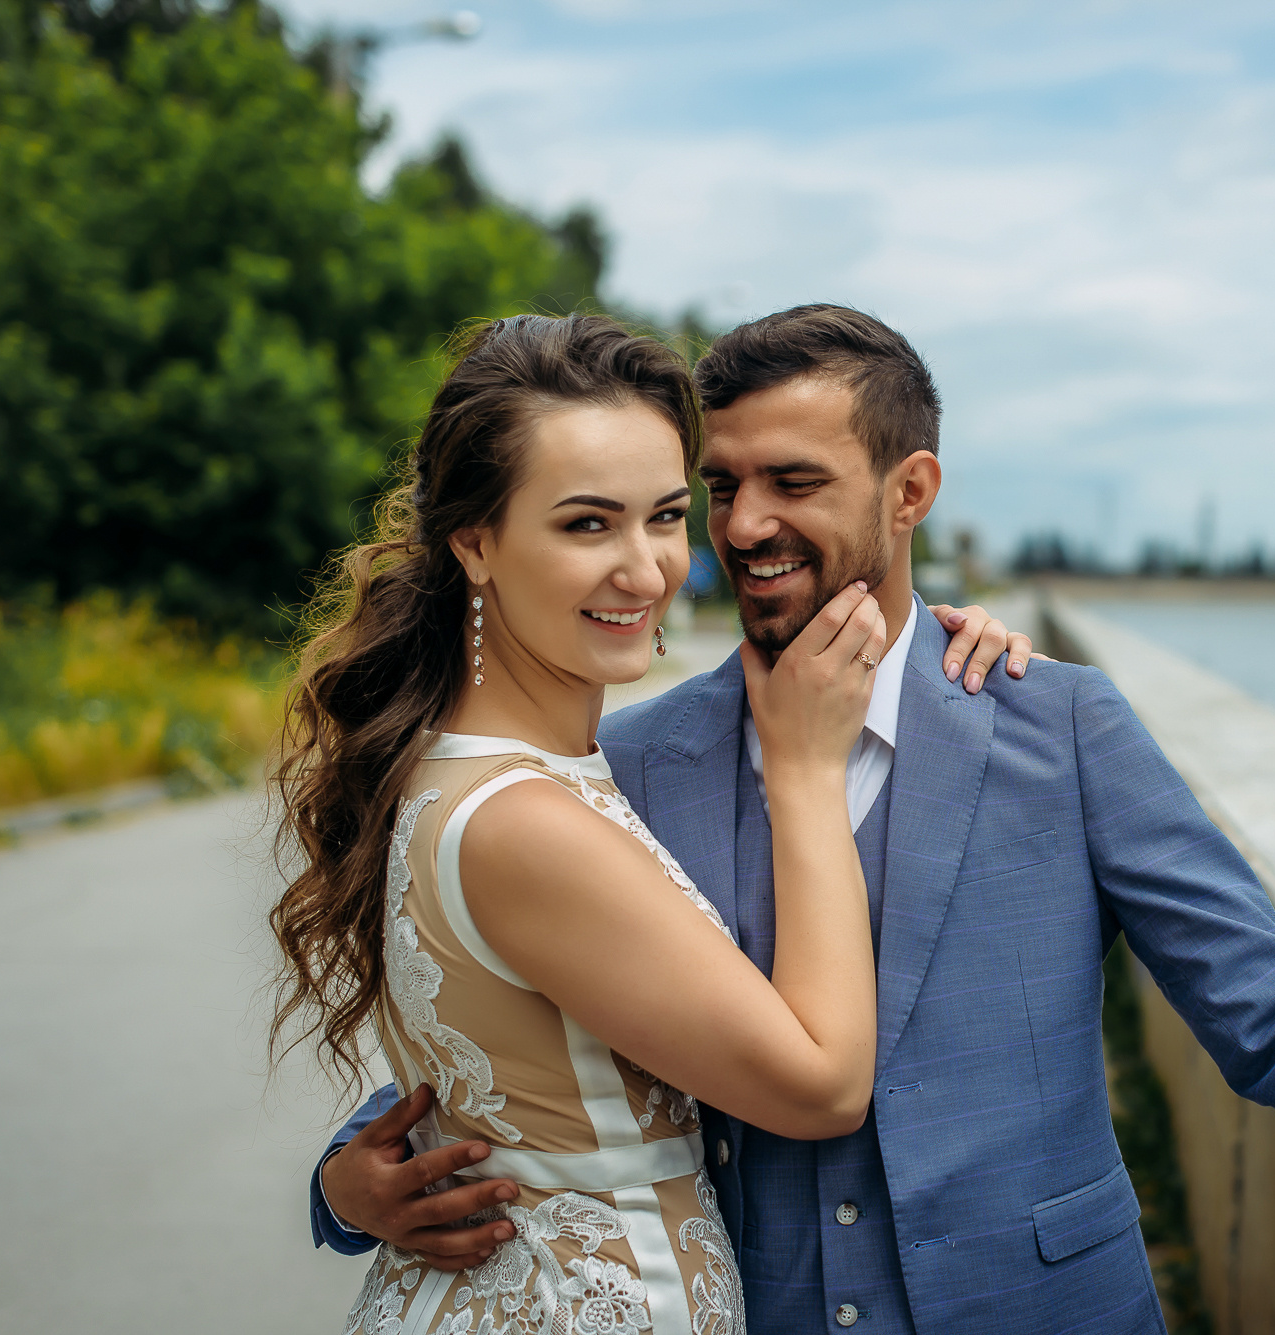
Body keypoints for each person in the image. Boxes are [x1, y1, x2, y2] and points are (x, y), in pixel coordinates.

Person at [314, 305, 1275, 1334]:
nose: (743, 526)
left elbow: (1267, 1001)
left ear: (910, 488)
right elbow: (528, 1039)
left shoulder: (1060, 726)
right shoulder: (633, 753)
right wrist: (349, 1183)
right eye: (719, 486)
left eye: (795, 480)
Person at [271, 313, 1035, 1335]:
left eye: (666, 515)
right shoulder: (523, 819)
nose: (646, 570)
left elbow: (512, 1066)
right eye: (587, 524)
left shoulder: (524, 769)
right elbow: (819, 1087)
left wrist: (936, 633)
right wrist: (805, 774)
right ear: (475, 542)